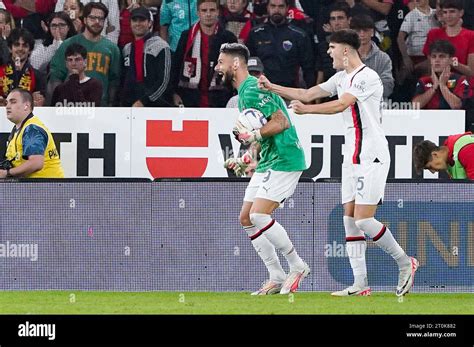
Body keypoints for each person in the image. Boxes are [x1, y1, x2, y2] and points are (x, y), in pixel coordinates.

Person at [258, 29, 418, 297]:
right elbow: (307, 93)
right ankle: (360, 284)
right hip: (351, 157)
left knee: (364, 220)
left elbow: (341, 104)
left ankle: (405, 262)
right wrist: (272, 86)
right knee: (349, 221)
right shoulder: (341, 77)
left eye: (332, 47)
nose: (329, 52)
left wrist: (307, 111)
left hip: (372, 155)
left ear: (346, 50)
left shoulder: (367, 77)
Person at [215, 43, 310, 295]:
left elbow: (281, 122)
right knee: (246, 218)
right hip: (269, 158)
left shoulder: (252, 89)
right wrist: (247, 158)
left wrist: (253, 135)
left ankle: (297, 266)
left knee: (259, 216)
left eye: (220, 61)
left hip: (285, 158)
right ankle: (276, 275)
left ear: (235, 64)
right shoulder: (244, 93)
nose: (217, 66)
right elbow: (262, 132)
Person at [48, 2, 121, 106]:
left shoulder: (112, 49)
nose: (97, 22)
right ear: (85, 20)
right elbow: (56, 77)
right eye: (92, 18)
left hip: (100, 108)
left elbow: (114, 83)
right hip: (69, 107)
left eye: (101, 19)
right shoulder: (68, 44)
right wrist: (55, 106)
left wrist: (111, 107)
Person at [171, 0, 237, 107]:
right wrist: (174, 93)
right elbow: (176, 66)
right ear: (198, 13)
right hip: (189, 97)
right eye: (204, 10)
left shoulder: (229, 38)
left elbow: (236, 70)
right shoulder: (187, 36)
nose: (208, 14)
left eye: (212, 10)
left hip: (220, 98)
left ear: (218, 12)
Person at [246, 0, 315, 89]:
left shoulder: (299, 35)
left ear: (287, 8)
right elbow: (247, 64)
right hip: (261, 89)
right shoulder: (255, 33)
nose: (277, 10)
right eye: (273, 6)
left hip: (290, 90)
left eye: (281, 6)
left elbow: (308, 68)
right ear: (267, 7)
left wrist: (310, 97)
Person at [0, 88, 64, 179]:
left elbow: (36, 163)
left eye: (13, 102)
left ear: (26, 106)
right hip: (37, 189)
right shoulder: (18, 129)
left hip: (48, 189)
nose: (7, 106)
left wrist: (7, 173)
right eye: (6, 103)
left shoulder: (32, 129)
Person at [121, 6, 172, 107]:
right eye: (134, 20)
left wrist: (143, 101)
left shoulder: (161, 46)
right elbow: (123, 79)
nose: (138, 24)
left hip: (155, 107)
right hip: (130, 106)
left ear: (150, 23)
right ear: (130, 23)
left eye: (142, 20)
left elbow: (164, 81)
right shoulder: (127, 48)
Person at [412, 40, 472, 110]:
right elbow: (415, 106)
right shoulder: (423, 81)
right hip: (428, 120)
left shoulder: (460, 80)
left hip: (453, 120)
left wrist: (442, 85)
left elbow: (456, 106)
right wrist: (434, 86)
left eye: (442, 56)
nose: (437, 60)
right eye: (434, 56)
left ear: (450, 60)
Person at [423, 0, 474, 78]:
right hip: (436, 80)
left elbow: (471, 72)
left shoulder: (471, 36)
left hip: (463, 83)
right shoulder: (433, 34)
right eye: (445, 12)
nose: (448, 16)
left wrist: (452, 62)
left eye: (452, 11)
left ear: (461, 13)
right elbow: (431, 65)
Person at [350, 14, 394, 99]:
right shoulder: (346, 58)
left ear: (372, 32)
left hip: (377, 105)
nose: (362, 34)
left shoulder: (383, 58)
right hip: (350, 105)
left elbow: (388, 87)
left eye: (366, 30)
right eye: (358, 31)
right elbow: (341, 85)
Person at [0, 28, 46, 107]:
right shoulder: (0, 71)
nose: (20, 49)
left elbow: (39, 103)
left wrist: (37, 101)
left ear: (30, 50)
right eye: (17, 45)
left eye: (25, 46)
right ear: (10, 49)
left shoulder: (37, 76)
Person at [55, 0, 120, 44]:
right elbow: (57, 21)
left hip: (99, 44)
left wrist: (108, 47)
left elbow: (114, 27)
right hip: (70, 44)